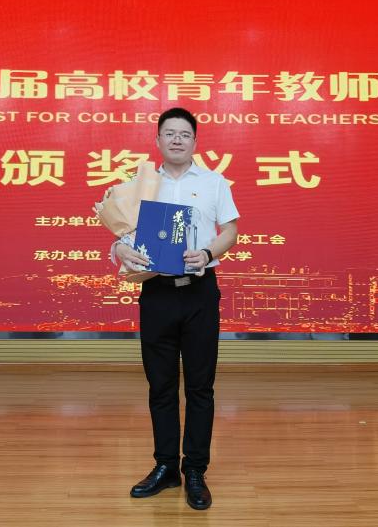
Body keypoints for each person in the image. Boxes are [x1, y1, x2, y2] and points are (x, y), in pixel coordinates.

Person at [111, 107, 239, 511]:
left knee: (200, 387)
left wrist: (207, 253)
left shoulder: (214, 182)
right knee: (161, 385)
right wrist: (120, 249)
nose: (177, 139)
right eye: (169, 133)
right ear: (158, 140)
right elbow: (122, 234)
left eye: (185, 134)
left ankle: (195, 470)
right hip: (158, 294)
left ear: (195, 141)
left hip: (200, 293)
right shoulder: (141, 185)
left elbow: (230, 230)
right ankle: (166, 466)